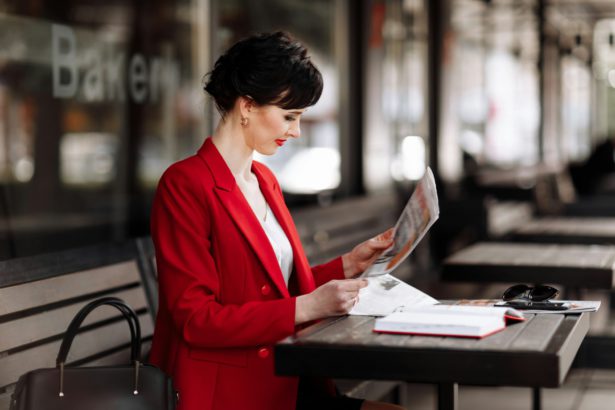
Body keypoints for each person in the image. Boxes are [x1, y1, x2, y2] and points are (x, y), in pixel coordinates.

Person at [148, 32, 404, 410]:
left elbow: (274, 290)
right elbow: (196, 319)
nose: (296, 131)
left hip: (286, 378)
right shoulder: (185, 184)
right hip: (230, 393)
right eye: (289, 116)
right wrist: (309, 308)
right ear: (247, 105)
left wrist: (349, 265)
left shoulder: (264, 180)